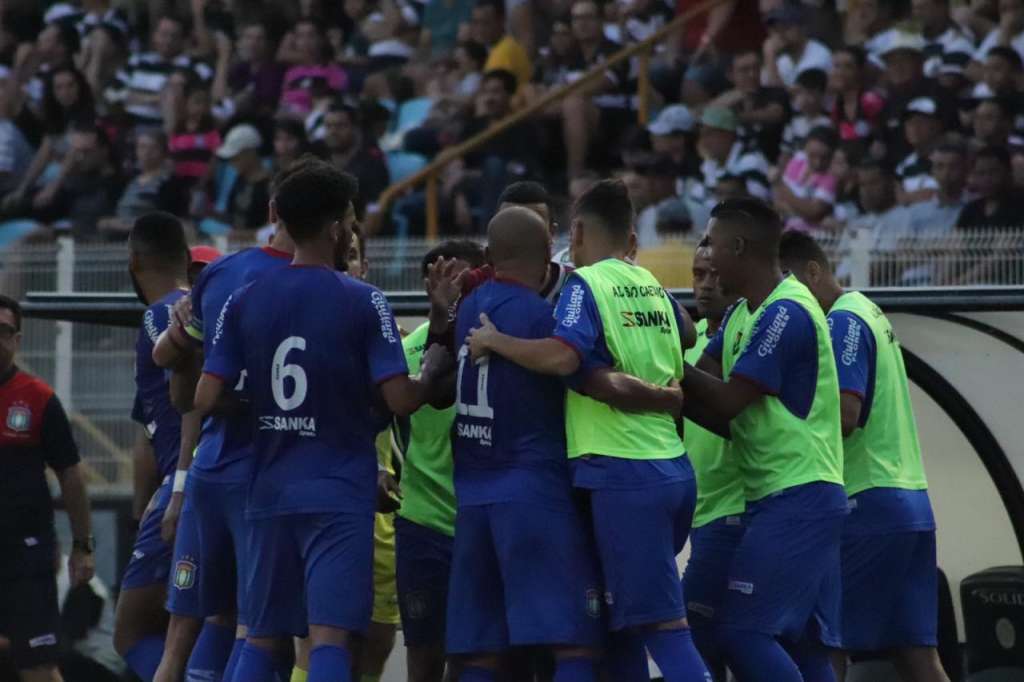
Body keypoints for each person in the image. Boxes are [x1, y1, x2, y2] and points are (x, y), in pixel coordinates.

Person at [193, 160, 449, 682]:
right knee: (329, 637)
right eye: (352, 221)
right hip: (336, 492)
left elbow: (204, 394)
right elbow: (399, 400)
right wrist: (436, 362)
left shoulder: (245, 298)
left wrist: (269, 408)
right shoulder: (364, 300)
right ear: (336, 228)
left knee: (262, 635)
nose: (354, 230)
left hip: (267, 490)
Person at [466, 179, 709, 682]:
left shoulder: (586, 283)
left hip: (623, 474)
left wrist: (497, 340)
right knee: (622, 624)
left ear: (574, 232)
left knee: (664, 626)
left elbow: (562, 356)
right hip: (672, 468)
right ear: (633, 239)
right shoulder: (649, 285)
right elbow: (685, 332)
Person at [681, 198, 845, 682]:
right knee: (801, 647)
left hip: (801, 495)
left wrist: (660, 351)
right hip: (776, 498)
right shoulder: (739, 317)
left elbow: (728, 401)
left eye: (711, 242)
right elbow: (700, 397)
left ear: (736, 246)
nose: (706, 256)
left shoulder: (786, 311)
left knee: (744, 635)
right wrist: (656, 382)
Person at [151, 164, 303, 682]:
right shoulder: (313, 285)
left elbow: (175, 379)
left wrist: (180, 484)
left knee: (187, 629)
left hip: (211, 469)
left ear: (272, 213)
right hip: (261, 473)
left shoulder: (222, 273)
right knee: (255, 629)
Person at [778, 231, 950, 682]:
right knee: (917, 656)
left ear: (813, 272)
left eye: (790, 286)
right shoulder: (870, 309)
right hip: (909, 501)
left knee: (829, 644)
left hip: (868, 502)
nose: (787, 304)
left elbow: (845, 414)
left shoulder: (842, 323)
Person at [447, 206, 604, 682]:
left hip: (473, 496)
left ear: (491, 255)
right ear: (545, 257)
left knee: (480, 652)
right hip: (533, 492)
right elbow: (575, 371)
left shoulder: (468, 310)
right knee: (573, 642)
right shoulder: (542, 318)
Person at [396, 241, 485, 682]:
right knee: (425, 661)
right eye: (441, 282)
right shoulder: (410, 351)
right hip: (425, 525)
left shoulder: (502, 344)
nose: (452, 293)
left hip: (482, 521)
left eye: (462, 281)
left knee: (475, 659)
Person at [0, 294, 94, 682]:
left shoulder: (38, 399)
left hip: (26, 557)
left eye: (4, 331)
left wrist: (82, 545)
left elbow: (71, 476)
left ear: (18, 339)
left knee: (37, 665)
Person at [113, 212, 190, 682]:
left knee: (131, 632)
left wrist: (176, 489)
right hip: (211, 483)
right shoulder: (203, 306)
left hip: (186, 487)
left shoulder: (162, 316)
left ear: (133, 260)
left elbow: (191, 405)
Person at [679, 243, 742, 682]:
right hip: (701, 514)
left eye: (714, 274)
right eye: (698, 274)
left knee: (696, 625)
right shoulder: (693, 342)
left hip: (737, 508)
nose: (704, 285)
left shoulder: (748, 335)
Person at [107, 15, 212, 127]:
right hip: (129, 125)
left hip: (164, 129)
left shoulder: (196, 66)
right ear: (154, 36)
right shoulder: (137, 61)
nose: (168, 41)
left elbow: (203, 101)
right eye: (163, 34)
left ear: (183, 40)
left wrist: (134, 97)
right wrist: (156, 99)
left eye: (174, 36)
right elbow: (111, 93)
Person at [97, 130, 188, 239]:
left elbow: (168, 220)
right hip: (119, 234)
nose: (147, 152)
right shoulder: (127, 180)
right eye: (142, 147)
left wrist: (130, 226)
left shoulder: (171, 184)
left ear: (163, 152)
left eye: (153, 148)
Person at [689, 107, 771, 213]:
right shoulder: (711, 163)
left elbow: (757, 207)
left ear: (728, 135)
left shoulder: (751, 160)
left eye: (709, 134)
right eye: (701, 135)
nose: (703, 141)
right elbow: (697, 200)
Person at [318, 103, 390, 209]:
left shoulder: (371, 164)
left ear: (355, 128)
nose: (333, 131)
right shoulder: (318, 159)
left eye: (340, 126)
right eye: (328, 126)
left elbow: (375, 210)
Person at [205, 124, 272, 236]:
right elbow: (232, 215)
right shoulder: (239, 180)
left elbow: (272, 229)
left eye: (236, 157)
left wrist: (241, 235)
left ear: (250, 153)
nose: (232, 163)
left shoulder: (270, 186)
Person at [774, 126, 839, 234]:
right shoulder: (798, 159)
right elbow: (777, 201)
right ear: (806, 148)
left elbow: (813, 212)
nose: (818, 162)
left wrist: (780, 186)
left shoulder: (831, 178)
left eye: (824, 157)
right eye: (813, 155)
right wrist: (804, 211)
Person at [762, 4, 832, 88]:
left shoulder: (819, 55)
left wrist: (770, 56)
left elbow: (794, 99)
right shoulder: (782, 59)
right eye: (776, 29)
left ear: (803, 28)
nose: (780, 34)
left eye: (786, 28)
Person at [957, 145, 1024, 229]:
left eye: (993, 172)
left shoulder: (1020, 207)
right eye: (981, 173)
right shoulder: (971, 210)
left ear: (1008, 172)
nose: (987, 179)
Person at [472, 0, 532, 90]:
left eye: (485, 23)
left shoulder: (505, 52)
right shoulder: (500, 48)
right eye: (476, 22)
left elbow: (494, 97)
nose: (480, 29)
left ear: (501, 21)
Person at [896, 97, 945, 204]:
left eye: (920, 122)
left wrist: (910, 197)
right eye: (909, 123)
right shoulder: (904, 165)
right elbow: (899, 199)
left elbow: (944, 193)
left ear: (936, 125)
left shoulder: (949, 156)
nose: (914, 128)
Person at [780, 68, 831, 163]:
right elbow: (785, 153)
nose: (804, 98)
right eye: (800, 93)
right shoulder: (793, 122)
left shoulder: (828, 123)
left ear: (822, 95)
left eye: (810, 93)